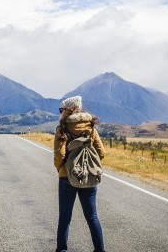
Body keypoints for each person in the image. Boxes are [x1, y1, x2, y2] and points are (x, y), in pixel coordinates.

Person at [53, 96, 106, 252]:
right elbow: (101, 153)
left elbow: (59, 156)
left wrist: (60, 169)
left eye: (61, 110)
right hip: (88, 176)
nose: (60, 112)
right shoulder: (91, 127)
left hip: (66, 178)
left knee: (65, 219)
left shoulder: (62, 129)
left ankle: (62, 250)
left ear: (67, 110)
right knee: (92, 218)